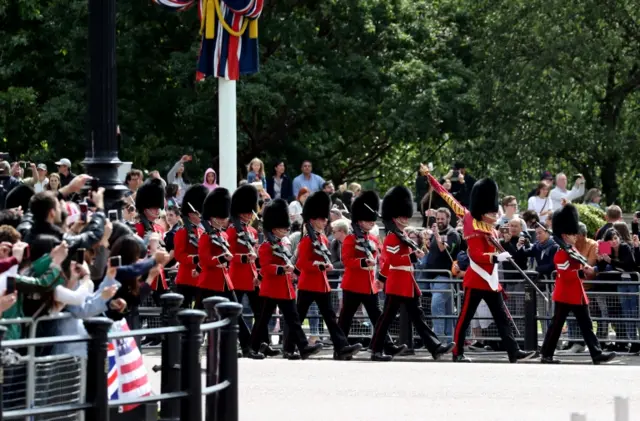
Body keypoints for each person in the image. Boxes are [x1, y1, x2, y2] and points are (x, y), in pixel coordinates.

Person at [425, 173, 536, 363]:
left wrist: (504, 247)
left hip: (490, 280)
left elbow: (492, 247)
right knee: (465, 318)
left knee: (502, 319)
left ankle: (513, 351)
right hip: (476, 278)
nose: (495, 214)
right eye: (492, 212)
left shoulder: (491, 227)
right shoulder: (471, 221)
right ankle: (457, 352)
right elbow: (476, 254)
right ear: (483, 210)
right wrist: (433, 181)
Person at [369, 186, 453, 361]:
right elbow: (392, 259)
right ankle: (376, 350)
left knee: (418, 318)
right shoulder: (392, 237)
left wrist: (416, 253)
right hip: (397, 283)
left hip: (407, 282)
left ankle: (435, 347)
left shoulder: (402, 235)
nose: (405, 219)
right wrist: (412, 256)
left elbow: (406, 258)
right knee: (386, 319)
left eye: (406, 215)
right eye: (402, 216)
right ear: (394, 217)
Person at [285, 191, 362, 360]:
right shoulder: (307, 240)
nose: (325, 220)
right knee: (299, 317)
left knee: (330, 318)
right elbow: (303, 263)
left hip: (321, 284)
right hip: (308, 284)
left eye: (325, 218)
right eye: (322, 218)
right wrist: (320, 266)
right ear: (313, 219)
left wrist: (324, 266)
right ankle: (289, 347)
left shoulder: (323, 239)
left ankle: (341, 347)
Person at [539, 204, 616, 364]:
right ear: (565, 235)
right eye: (573, 234)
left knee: (586, 325)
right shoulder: (561, 252)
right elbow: (566, 274)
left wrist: (599, 265)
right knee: (556, 327)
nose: (576, 236)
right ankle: (546, 354)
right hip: (565, 294)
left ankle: (596, 354)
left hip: (576, 294)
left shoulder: (571, 249)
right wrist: (583, 272)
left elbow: (585, 267)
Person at [248, 199, 323, 360]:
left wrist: (292, 270)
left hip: (285, 288)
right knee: (262, 321)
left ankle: (303, 347)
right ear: (274, 229)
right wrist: (282, 269)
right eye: (283, 228)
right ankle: (252, 347)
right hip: (271, 289)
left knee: (294, 320)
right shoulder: (266, 246)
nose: (286, 230)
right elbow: (266, 266)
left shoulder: (283, 243)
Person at [338, 190, 407, 357]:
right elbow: (346, 260)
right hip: (353, 285)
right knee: (346, 319)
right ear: (359, 221)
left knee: (378, 319)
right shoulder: (350, 239)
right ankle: (339, 348)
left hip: (370, 286)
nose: (371, 222)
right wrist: (362, 262)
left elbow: (381, 258)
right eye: (367, 220)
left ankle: (387, 346)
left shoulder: (374, 240)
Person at [197, 187, 259, 358]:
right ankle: (191, 344)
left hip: (225, 281)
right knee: (200, 316)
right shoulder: (205, 237)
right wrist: (222, 259)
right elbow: (204, 260)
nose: (224, 220)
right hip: (209, 282)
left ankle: (247, 347)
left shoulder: (223, 235)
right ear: (212, 217)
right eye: (220, 217)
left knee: (236, 314)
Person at [227, 185, 272, 356]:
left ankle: (261, 343)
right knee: (235, 312)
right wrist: (244, 258)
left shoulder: (252, 231)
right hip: (237, 276)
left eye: (249, 212)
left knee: (261, 313)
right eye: (244, 212)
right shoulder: (232, 231)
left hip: (252, 276)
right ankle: (246, 344)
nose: (247, 215)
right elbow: (229, 253)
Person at [173, 184, 208, 308]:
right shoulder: (182, 232)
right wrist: (196, 258)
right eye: (198, 213)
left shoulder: (201, 231)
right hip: (185, 278)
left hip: (200, 278)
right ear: (191, 213)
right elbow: (179, 255)